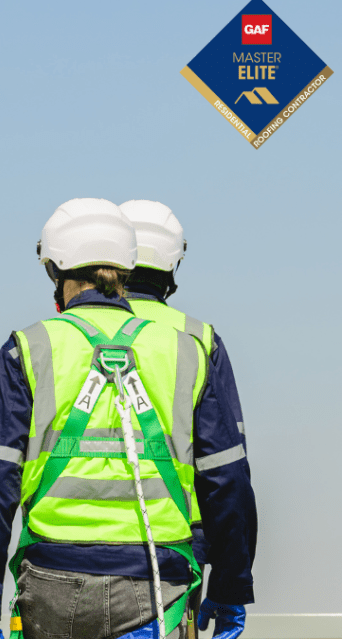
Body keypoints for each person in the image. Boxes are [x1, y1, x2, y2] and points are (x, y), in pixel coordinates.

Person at [0, 198, 256, 639]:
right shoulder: (188, 350)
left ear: (56, 270)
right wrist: (229, 587)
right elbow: (225, 481)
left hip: (52, 581)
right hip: (158, 584)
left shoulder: (28, 348)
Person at [119, 199, 255, 638]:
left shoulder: (65, 334)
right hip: (175, 547)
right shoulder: (199, 340)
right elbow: (227, 477)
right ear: (174, 264)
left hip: (61, 555)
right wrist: (232, 583)